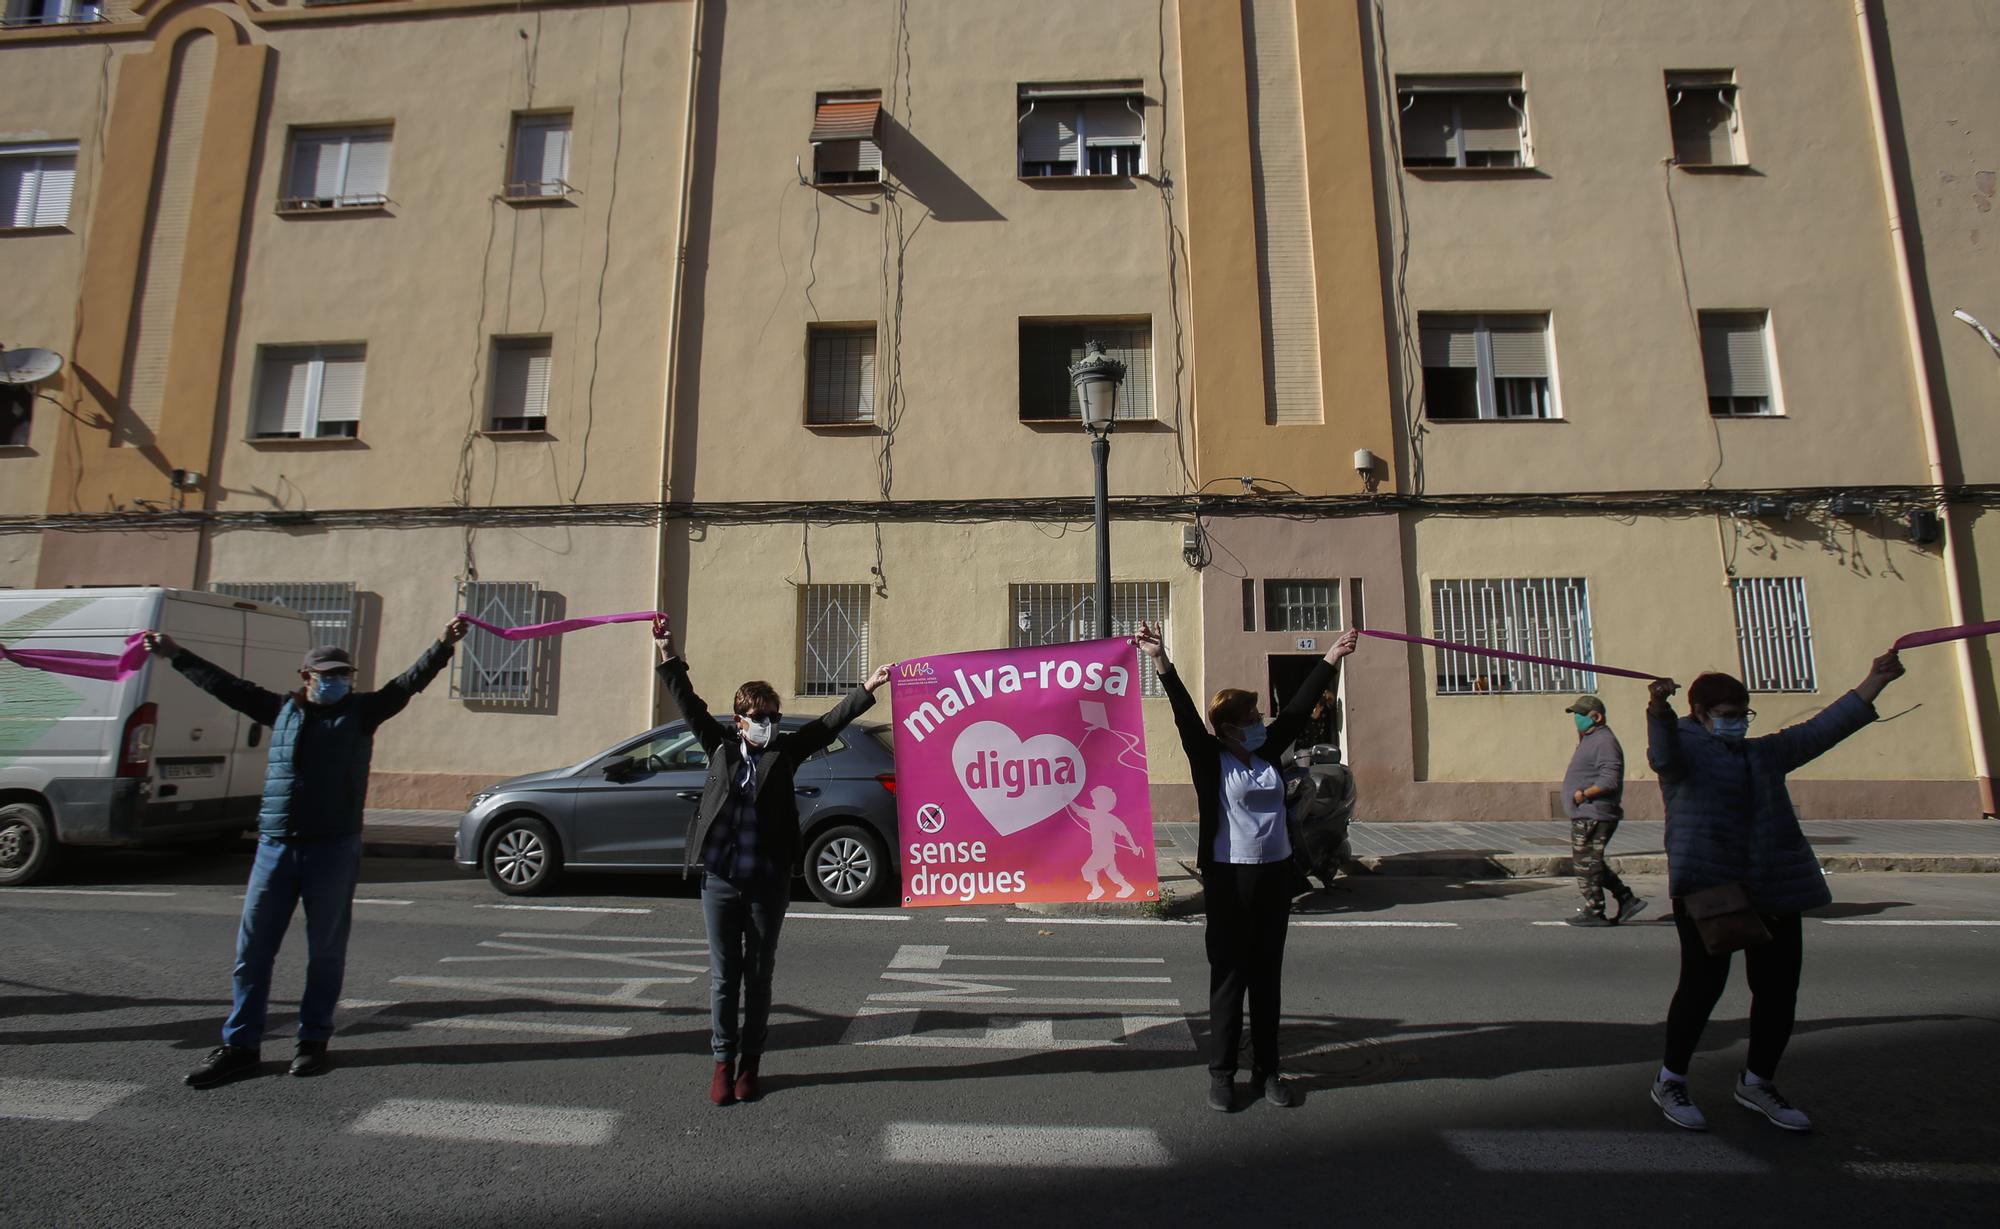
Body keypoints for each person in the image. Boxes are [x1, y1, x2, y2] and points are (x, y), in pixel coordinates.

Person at [145, 619, 467, 1088]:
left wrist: (442, 644)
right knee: (252, 951)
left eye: (343, 675)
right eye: (327, 674)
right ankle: (240, 1046)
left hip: (332, 848)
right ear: (305, 677)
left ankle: (313, 1043)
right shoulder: (279, 711)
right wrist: (176, 653)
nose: (336, 681)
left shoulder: (363, 711)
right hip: (275, 846)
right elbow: (223, 685)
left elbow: (408, 683)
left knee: (326, 952)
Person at [1645, 648, 1906, 1133]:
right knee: (1703, 988)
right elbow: (1662, 754)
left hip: (1775, 887)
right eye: (1727, 716)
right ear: (1700, 715)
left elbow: (1822, 729)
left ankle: (1758, 1081)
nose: (1738, 723)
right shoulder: (1682, 753)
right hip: (1710, 889)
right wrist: (1658, 709)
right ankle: (1671, 1078)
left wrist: (1876, 680)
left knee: (1778, 990)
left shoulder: (1762, 755)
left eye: (1744, 715)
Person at [653, 616, 891, 1106]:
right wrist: (667, 652)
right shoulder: (719, 746)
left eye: (772, 717)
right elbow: (687, 701)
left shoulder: (783, 752)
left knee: (759, 976)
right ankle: (722, 1062)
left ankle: (751, 1065)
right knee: (725, 977)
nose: (768, 725)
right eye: (759, 717)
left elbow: (828, 724)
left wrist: (867, 688)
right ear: (740, 719)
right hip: (720, 879)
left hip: (766, 881)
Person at [1136, 620, 1359, 1112]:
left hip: (1274, 876)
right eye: (1254, 714)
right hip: (1228, 876)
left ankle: (1268, 1070)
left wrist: (1332, 657)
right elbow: (1185, 717)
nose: (1263, 719)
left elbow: (1299, 710)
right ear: (1232, 725)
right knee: (1229, 975)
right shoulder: (1211, 757)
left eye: (1261, 714)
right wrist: (1160, 660)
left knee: (1267, 976)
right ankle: (1221, 1073)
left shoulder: (1267, 752)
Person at [1560, 694, 1645, 927]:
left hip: (1594, 813)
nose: (1576, 719)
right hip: (1586, 813)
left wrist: (1584, 794)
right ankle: (1627, 899)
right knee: (1592, 862)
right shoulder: (1592, 738)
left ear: (1596, 716)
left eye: (1580, 714)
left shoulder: (1605, 741)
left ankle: (1594, 910)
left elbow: (1610, 780)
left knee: (1585, 864)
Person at [1068, 786, 1141, 901]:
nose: (1092, 802)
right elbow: (1078, 809)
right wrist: (1067, 800)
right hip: (1107, 851)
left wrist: (1134, 847)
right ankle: (1127, 887)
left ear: (1103, 803)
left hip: (1102, 852)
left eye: (1095, 800)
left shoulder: (1100, 816)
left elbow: (1126, 833)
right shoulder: (1097, 815)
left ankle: (1097, 889)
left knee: (1087, 869)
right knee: (1112, 872)